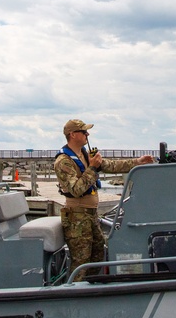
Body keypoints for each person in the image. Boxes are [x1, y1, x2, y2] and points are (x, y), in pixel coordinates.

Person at [53, 119, 154, 281]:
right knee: (81, 261)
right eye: (84, 132)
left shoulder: (84, 154)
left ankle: (89, 288)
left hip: (90, 214)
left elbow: (111, 165)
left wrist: (137, 162)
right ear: (72, 135)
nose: (88, 134)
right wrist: (92, 167)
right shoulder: (63, 161)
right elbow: (76, 189)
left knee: (98, 253)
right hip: (76, 217)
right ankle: (75, 294)